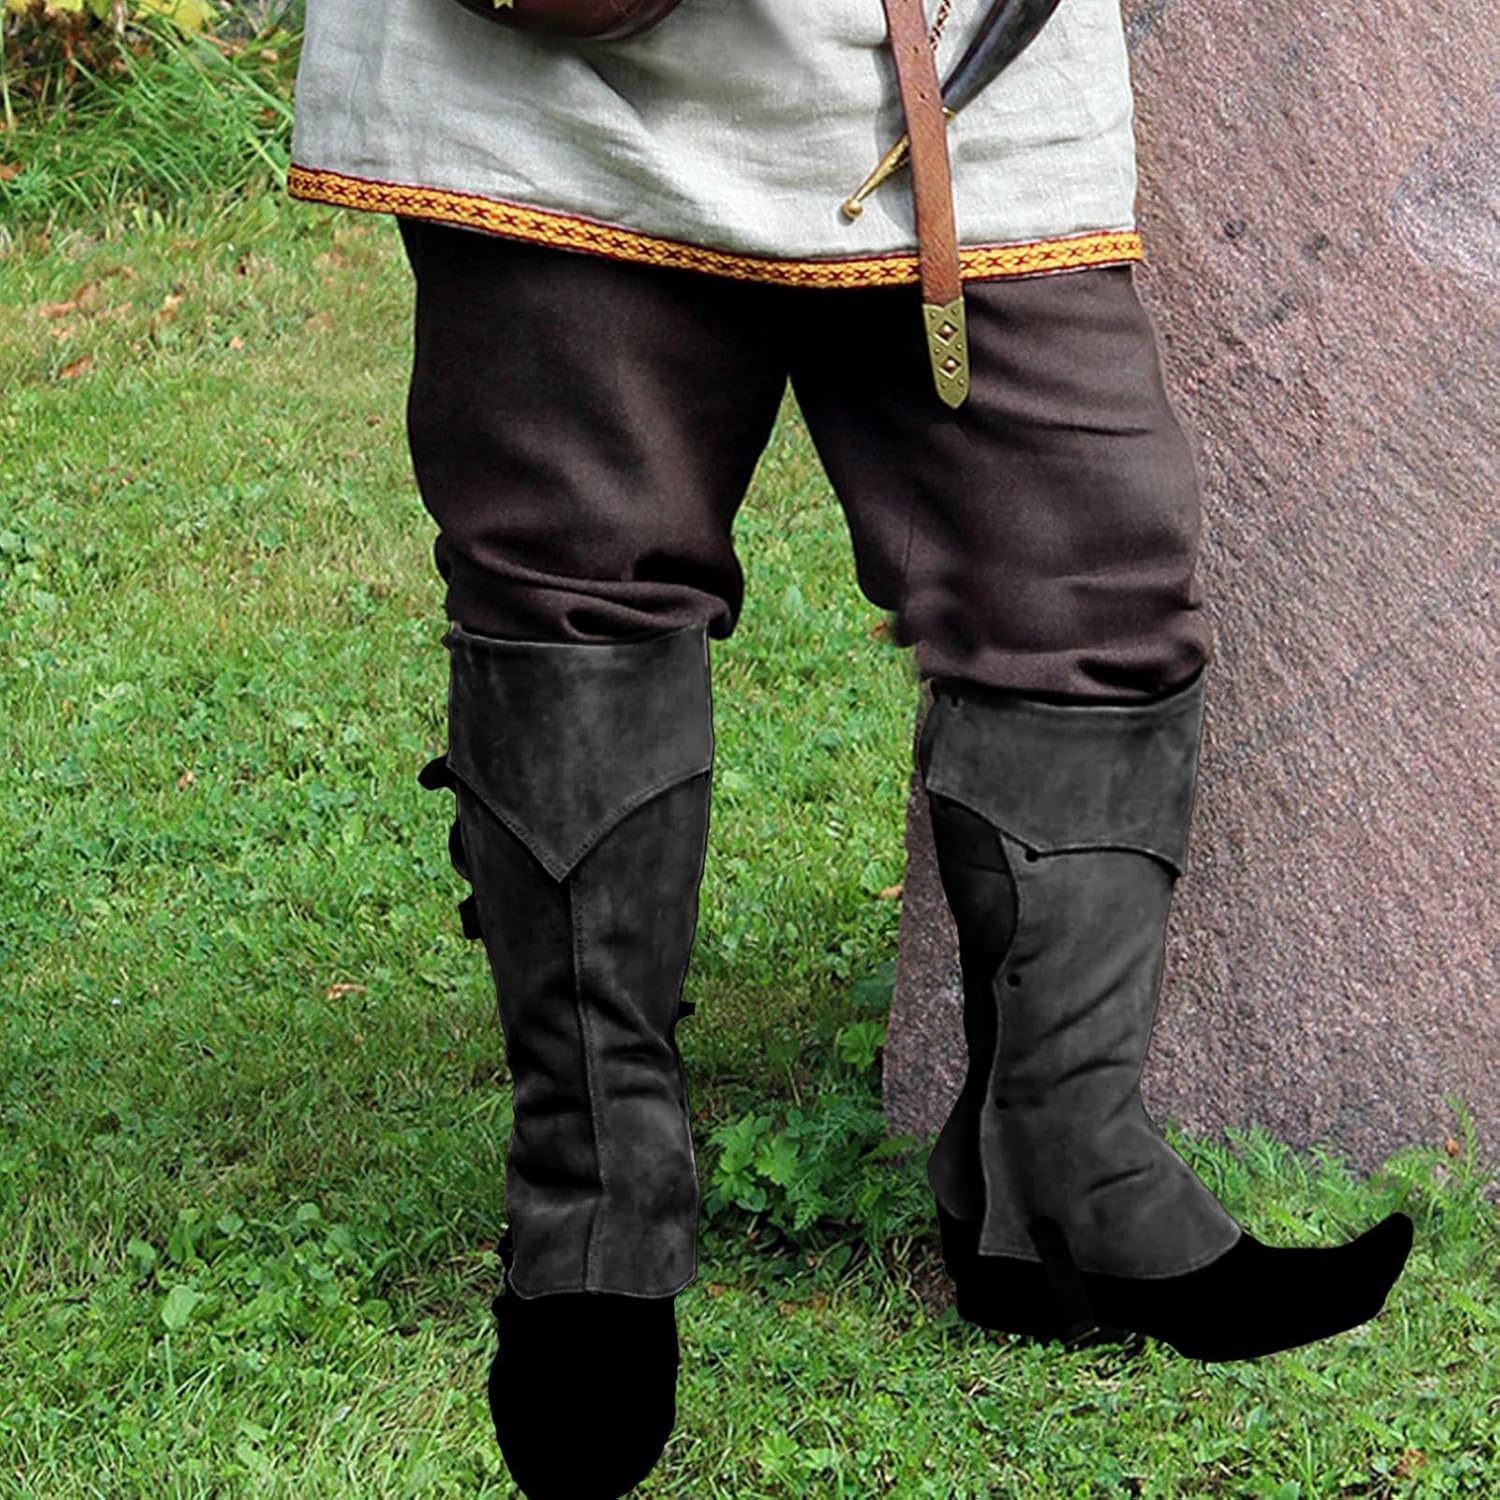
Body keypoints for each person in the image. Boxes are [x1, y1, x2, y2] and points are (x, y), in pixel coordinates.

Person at [286, 2, 1415, 1495]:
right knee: (579, 581)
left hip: (963, 70)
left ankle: (1062, 1185)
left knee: (1086, 579)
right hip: (565, 92)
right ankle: (593, 1220)